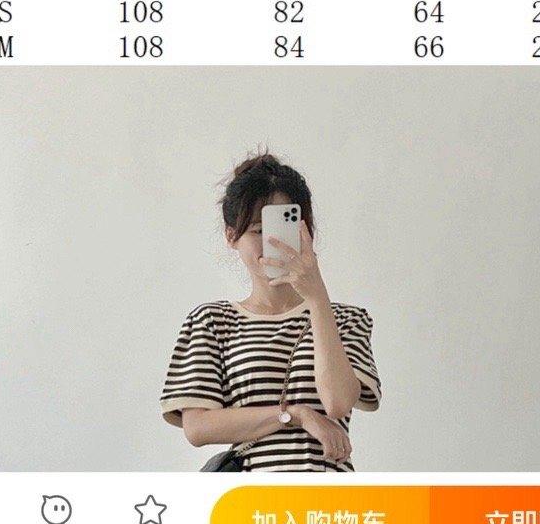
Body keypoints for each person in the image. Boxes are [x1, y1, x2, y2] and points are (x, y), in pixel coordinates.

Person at [162, 145, 380, 468]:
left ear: (306, 231)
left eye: (282, 230)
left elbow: (337, 403)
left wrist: (317, 297)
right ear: (232, 236)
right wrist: (296, 415)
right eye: (258, 231)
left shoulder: (347, 319)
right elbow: (197, 427)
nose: (272, 243)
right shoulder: (212, 322)